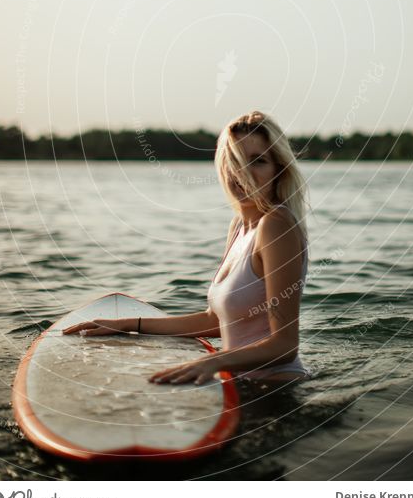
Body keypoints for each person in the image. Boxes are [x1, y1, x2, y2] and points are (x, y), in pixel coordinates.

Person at [63, 110, 311, 386]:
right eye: (235, 161)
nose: (243, 174)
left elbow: (284, 344)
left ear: (280, 170)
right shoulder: (240, 226)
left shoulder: (276, 227)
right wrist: (128, 324)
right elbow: (216, 322)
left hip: (276, 392)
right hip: (237, 385)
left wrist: (212, 360)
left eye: (258, 161)